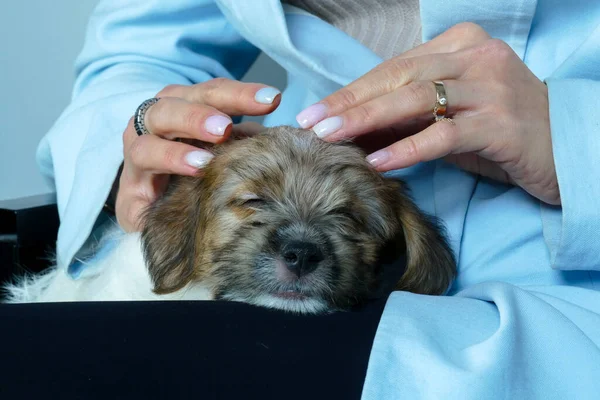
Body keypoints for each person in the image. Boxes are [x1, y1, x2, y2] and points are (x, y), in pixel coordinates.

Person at [10, 0, 600, 398]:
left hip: (563, 304)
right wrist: (148, 140)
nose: (297, 249)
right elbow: (140, 55)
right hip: (259, 290)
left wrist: (576, 138)